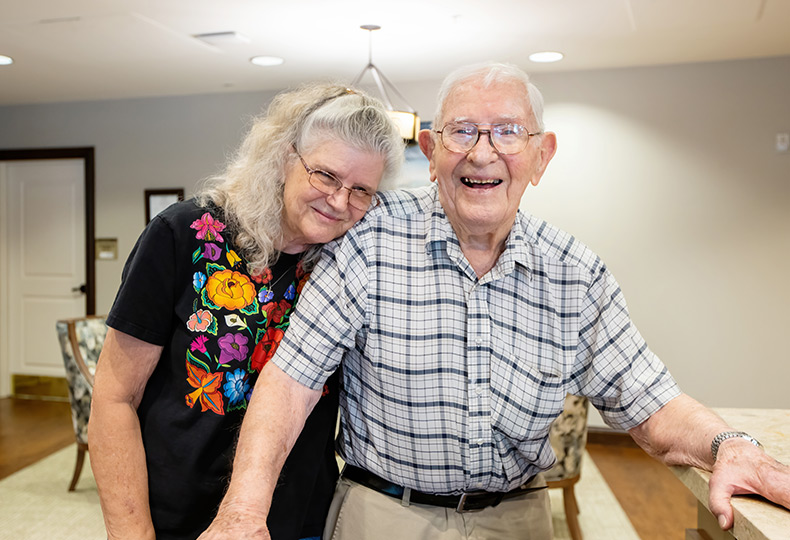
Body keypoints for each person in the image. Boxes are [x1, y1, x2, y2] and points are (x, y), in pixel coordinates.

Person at [199, 63, 790, 540]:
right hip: (383, 514)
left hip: (519, 517)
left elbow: (651, 400)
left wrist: (730, 446)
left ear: (541, 156)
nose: (482, 154)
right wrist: (242, 514)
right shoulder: (367, 238)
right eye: (462, 131)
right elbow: (291, 382)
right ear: (431, 152)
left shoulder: (575, 274)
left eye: (508, 131)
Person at [87, 82, 404, 540]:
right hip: (176, 516)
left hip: (301, 519)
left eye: (361, 190)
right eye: (326, 176)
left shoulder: (350, 258)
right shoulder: (183, 234)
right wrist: (130, 531)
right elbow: (114, 398)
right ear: (285, 158)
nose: (340, 201)